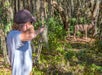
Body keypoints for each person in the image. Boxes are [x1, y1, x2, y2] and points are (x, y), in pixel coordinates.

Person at [6, 9, 45, 75]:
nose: (31, 25)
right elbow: (31, 35)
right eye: (30, 23)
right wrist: (32, 27)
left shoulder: (22, 34)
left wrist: (39, 30)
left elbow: (31, 34)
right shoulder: (13, 35)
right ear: (25, 25)